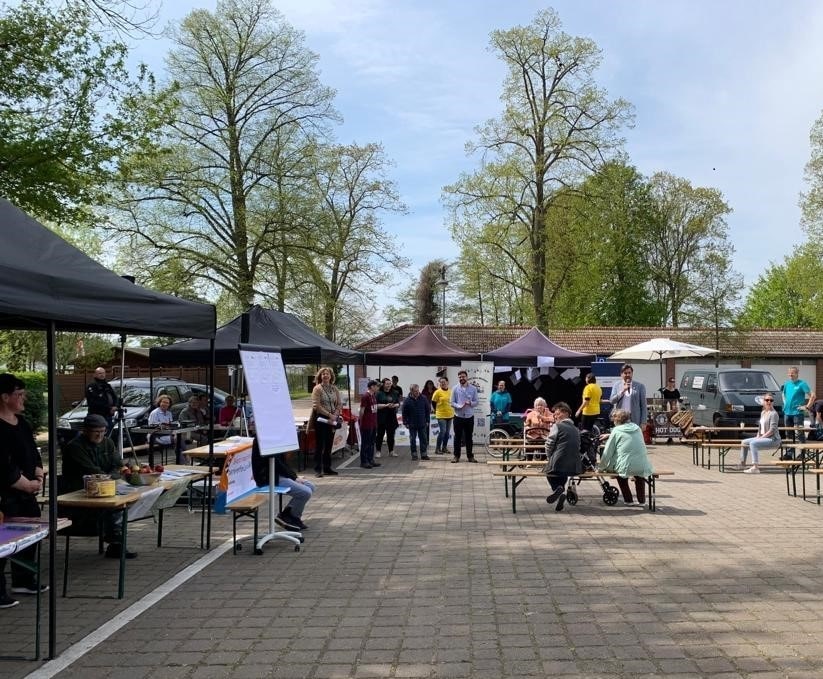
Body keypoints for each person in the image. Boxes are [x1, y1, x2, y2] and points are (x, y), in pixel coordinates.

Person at [62, 414, 137, 559]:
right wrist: (110, 476)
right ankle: (116, 543)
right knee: (114, 507)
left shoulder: (107, 443)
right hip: (80, 491)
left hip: (105, 487)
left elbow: (118, 464)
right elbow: (91, 470)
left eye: (103, 431)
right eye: (96, 431)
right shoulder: (75, 447)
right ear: (85, 430)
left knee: (128, 500)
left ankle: (116, 543)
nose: (100, 435)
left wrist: (114, 474)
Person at [0, 373, 46, 608]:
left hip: (26, 493)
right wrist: (23, 483)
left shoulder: (22, 423)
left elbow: (33, 451)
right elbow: (2, 465)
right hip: (6, 494)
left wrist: (38, 472)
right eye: (19, 394)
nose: (23, 398)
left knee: (30, 533)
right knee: (3, 540)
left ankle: (24, 579)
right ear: (5, 397)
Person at [251, 437, 314, 531]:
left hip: (277, 474)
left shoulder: (275, 437)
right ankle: (291, 516)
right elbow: (277, 464)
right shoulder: (264, 439)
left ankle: (288, 515)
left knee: (310, 486)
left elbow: (282, 463)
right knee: (305, 492)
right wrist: (294, 478)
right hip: (268, 478)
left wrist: (294, 477)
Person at [599, 408, 655, 506]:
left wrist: (601, 468)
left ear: (617, 420)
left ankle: (628, 499)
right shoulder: (637, 428)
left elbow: (607, 452)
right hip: (643, 465)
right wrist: (610, 434)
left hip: (625, 466)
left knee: (621, 475)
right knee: (639, 475)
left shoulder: (616, 430)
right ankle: (642, 500)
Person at [543, 402, 581, 513]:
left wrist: (550, 457)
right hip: (574, 464)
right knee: (562, 472)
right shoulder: (576, 429)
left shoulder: (557, 426)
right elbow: (578, 446)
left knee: (549, 472)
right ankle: (560, 493)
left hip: (559, 460)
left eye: (557, 413)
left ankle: (558, 489)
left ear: (565, 413)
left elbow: (549, 443)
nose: (555, 416)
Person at [310, 367, 341, 477]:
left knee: (329, 445)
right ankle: (318, 469)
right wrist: (329, 415)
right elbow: (316, 405)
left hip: (332, 420)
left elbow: (339, 404)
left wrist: (336, 414)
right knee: (320, 445)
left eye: (327, 374)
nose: (325, 376)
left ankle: (327, 468)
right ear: (320, 376)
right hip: (322, 419)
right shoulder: (317, 389)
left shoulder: (334, 389)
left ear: (331, 376)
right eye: (323, 374)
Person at [739, 394, 781, 473]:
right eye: (767, 400)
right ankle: (742, 464)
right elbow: (760, 427)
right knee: (744, 442)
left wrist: (761, 438)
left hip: (773, 439)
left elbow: (772, 430)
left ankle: (755, 467)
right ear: (764, 402)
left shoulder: (774, 414)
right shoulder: (763, 412)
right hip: (764, 437)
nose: (769, 402)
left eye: (771, 400)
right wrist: (758, 435)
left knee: (753, 443)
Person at [781, 366, 815, 459]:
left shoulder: (802, 384)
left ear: (797, 373)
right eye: (789, 373)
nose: (791, 375)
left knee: (799, 433)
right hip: (787, 413)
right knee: (788, 434)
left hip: (797, 413)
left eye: (793, 373)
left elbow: (813, 395)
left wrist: (807, 407)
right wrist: (785, 404)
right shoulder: (787, 384)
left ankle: (802, 454)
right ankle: (789, 454)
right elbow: (783, 394)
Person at [449, 370, 478, 463]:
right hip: (458, 416)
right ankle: (456, 456)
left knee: (469, 437)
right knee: (457, 437)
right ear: (458, 378)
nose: (462, 378)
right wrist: (459, 406)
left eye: (463, 376)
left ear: (467, 377)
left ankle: (470, 456)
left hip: (469, 417)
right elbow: (451, 402)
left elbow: (476, 402)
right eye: (460, 377)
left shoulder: (473, 388)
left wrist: (470, 403)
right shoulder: (455, 388)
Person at [402, 384, 431, 461]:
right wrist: (405, 422)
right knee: (412, 440)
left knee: (424, 439)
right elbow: (404, 413)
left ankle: (424, 454)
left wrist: (427, 420)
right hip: (412, 424)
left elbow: (427, 410)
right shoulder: (407, 400)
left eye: (418, 390)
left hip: (422, 423)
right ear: (411, 391)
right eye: (415, 391)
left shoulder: (424, 398)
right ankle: (414, 454)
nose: (417, 392)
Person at [85, 366, 117, 430]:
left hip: (108, 416)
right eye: (100, 373)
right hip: (97, 416)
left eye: (103, 373)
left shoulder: (107, 386)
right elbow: (94, 402)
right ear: (95, 375)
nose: (102, 375)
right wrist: (109, 408)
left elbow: (115, 397)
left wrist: (115, 406)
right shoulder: (92, 386)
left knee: (108, 435)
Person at [376, 377, 401, 458]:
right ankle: (378, 451)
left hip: (391, 417)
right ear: (383, 384)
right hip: (381, 417)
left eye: (390, 384)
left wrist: (394, 405)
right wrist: (386, 405)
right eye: (387, 384)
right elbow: (376, 406)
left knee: (391, 435)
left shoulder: (395, 392)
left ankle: (391, 451)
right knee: (380, 435)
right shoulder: (378, 393)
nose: (389, 385)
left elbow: (398, 403)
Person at [358, 380, 381, 469]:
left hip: (373, 423)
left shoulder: (373, 396)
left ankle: (370, 460)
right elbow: (362, 410)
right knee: (365, 443)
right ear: (372, 387)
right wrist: (361, 421)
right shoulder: (365, 396)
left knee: (371, 443)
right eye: (376, 386)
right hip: (367, 424)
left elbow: (375, 407)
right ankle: (364, 461)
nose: (377, 388)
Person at [147, 394, 174, 463]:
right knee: (177, 440)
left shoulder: (169, 413)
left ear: (169, 405)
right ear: (159, 403)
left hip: (166, 434)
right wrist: (163, 426)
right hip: (155, 436)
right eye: (163, 402)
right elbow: (151, 426)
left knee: (180, 438)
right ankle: (183, 459)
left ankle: (182, 459)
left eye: (167, 403)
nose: (165, 404)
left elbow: (170, 424)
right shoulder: (155, 413)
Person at [431, 377, 454, 455]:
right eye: (441, 382)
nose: (442, 383)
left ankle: (444, 448)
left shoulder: (451, 392)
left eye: (444, 382)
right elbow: (433, 402)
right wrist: (436, 410)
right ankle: (437, 449)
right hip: (441, 415)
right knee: (443, 431)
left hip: (450, 414)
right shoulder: (437, 392)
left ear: (447, 382)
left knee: (447, 433)